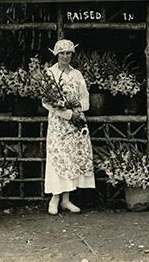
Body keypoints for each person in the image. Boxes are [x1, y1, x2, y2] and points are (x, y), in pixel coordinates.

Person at [43, 39, 95, 215]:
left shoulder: (77, 74)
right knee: (59, 158)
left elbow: (86, 100)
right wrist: (66, 113)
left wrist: (77, 105)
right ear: (56, 55)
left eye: (68, 53)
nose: (65, 57)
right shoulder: (49, 74)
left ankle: (66, 199)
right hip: (59, 123)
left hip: (76, 123)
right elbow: (46, 102)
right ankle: (55, 198)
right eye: (62, 53)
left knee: (72, 159)